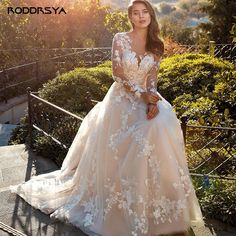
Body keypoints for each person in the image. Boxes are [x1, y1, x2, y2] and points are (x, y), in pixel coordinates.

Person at [10, 0, 204, 235]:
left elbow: (152, 78)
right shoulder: (120, 38)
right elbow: (117, 73)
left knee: (163, 121)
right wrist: (140, 94)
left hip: (146, 96)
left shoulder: (157, 44)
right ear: (130, 17)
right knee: (137, 138)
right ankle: (122, 203)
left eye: (145, 12)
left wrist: (152, 100)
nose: (141, 17)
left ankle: (158, 203)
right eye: (136, 13)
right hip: (123, 99)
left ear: (151, 16)